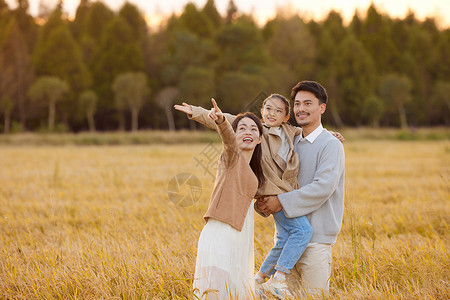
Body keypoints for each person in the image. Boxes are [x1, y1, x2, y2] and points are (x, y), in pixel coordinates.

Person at [175, 94, 343, 299]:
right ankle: (278, 278)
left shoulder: (292, 132)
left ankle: (260, 278)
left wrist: (331, 134)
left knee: (282, 241)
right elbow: (228, 122)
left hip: (284, 197)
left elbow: (313, 131)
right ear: (261, 112)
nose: (272, 114)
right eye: (268, 109)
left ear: (286, 117)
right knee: (302, 232)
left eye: (278, 111)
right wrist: (198, 112)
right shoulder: (257, 129)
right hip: (274, 197)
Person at [256, 80, 345, 297]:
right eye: (297, 104)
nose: (301, 109)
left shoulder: (331, 144)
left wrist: (281, 202)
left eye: (308, 103)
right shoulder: (289, 141)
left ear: (321, 108)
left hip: (315, 241)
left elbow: (323, 187)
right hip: (286, 240)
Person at [186, 99, 264, 299]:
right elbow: (228, 140)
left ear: (261, 138)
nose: (248, 132)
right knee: (216, 293)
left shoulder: (255, 172)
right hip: (220, 232)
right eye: (242, 128)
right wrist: (221, 122)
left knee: (234, 292)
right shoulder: (231, 157)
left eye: (254, 129)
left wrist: (328, 136)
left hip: (239, 236)